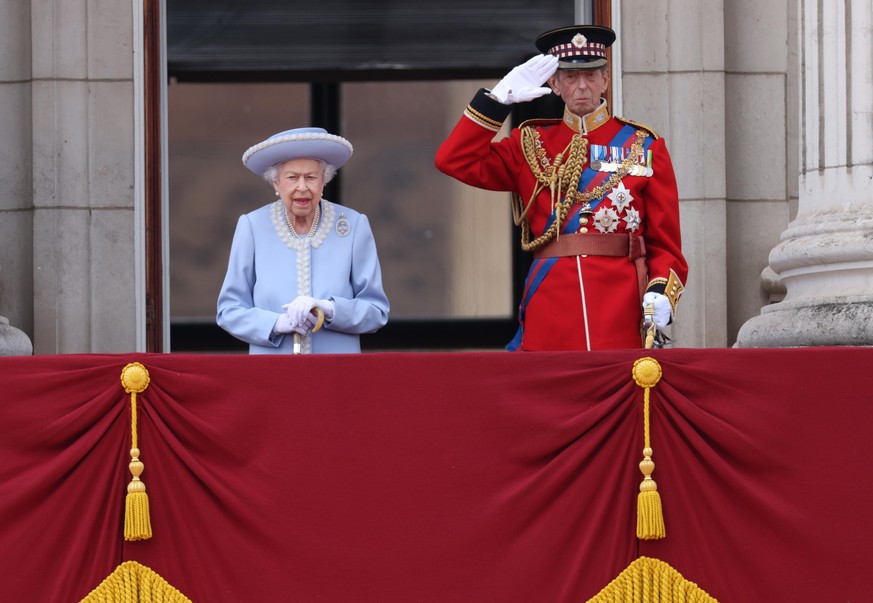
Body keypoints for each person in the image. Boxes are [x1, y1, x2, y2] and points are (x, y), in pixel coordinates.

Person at [435, 25, 688, 351]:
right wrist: (497, 101)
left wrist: (660, 289)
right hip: (551, 305)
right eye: (570, 77)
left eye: (592, 76)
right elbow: (452, 160)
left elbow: (666, 242)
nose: (582, 86)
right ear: (554, 84)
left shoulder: (643, 146)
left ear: (605, 81)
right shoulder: (529, 144)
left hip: (621, 306)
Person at [217, 127, 390, 354]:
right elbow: (229, 311)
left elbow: (376, 311)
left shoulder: (354, 225)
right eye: (292, 177)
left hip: (336, 371)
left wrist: (328, 309)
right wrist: (276, 324)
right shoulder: (253, 226)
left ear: (323, 181)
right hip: (271, 374)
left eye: (311, 177)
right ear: (276, 183)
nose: (302, 187)